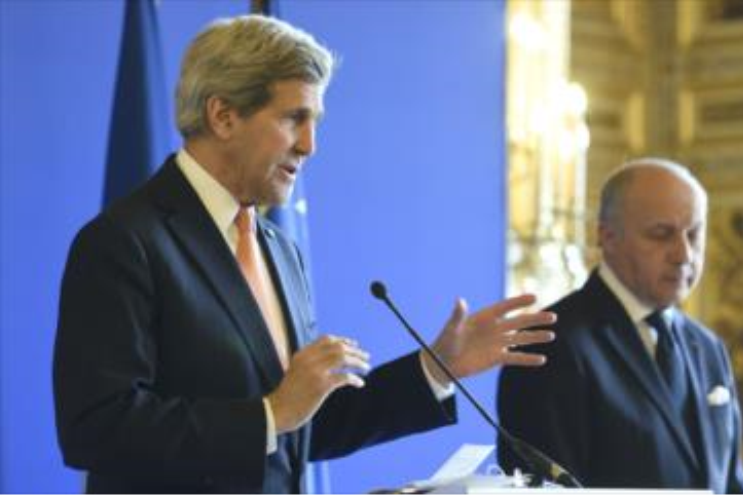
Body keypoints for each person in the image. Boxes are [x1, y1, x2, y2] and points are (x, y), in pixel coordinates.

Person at [53, 15, 556, 494]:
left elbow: (303, 427)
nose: (311, 145)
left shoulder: (278, 249)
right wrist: (271, 414)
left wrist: (434, 370)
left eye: (315, 120)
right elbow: (97, 428)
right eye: (295, 118)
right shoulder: (125, 241)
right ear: (223, 116)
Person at [497, 158, 743, 494]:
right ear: (608, 236)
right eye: (661, 234)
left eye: (694, 234)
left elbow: (733, 483)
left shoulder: (707, 347)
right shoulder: (547, 343)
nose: (684, 254)